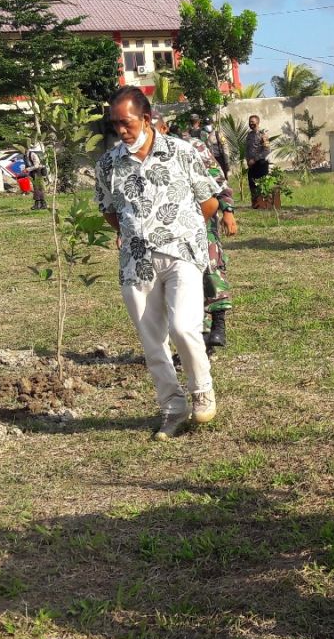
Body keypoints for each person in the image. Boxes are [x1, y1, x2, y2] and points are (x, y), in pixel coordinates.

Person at [96, 88, 220, 440]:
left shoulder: (182, 152)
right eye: (115, 124)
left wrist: (181, 231)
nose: (121, 130)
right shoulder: (108, 164)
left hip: (182, 255)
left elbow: (208, 203)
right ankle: (172, 408)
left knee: (184, 327)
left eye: (127, 122)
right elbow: (109, 212)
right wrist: (137, 236)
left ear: (147, 119)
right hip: (137, 263)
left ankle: (202, 390)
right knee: (153, 342)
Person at [156, 116, 238, 352]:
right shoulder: (144, 155)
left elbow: (217, 178)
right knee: (184, 279)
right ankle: (197, 337)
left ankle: (218, 324)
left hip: (202, 216)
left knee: (211, 267)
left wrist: (228, 211)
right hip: (171, 227)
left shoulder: (192, 146)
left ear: (162, 127)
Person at [244, 115, 270, 207]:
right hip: (251, 164)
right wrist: (247, 160)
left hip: (261, 163)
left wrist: (254, 160)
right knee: (252, 184)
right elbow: (247, 149)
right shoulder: (249, 135)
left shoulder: (263, 135)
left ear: (258, 122)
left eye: (253, 122)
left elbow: (266, 151)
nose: (251, 123)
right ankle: (255, 204)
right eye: (250, 122)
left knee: (262, 184)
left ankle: (264, 204)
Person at [24, 145, 47, 210]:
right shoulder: (24, 155)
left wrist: (28, 169)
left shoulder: (32, 154)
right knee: (37, 188)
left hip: (38, 172)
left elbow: (36, 165)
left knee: (38, 188)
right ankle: (42, 204)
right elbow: (28, 165)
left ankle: (38, 204)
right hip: (32, 173)